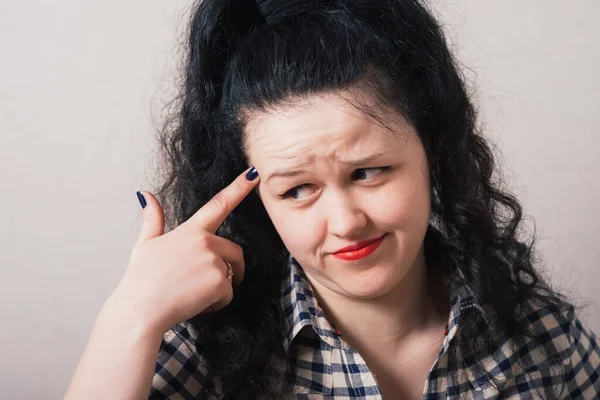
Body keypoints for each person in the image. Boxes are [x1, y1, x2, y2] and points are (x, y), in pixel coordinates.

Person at [64, 0, 600, 399]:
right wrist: (129, 316)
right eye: (297, 189)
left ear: (430, 148)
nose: (345, 222)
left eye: (369, 172)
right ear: (255, 198)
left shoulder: (542, 336)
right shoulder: (198, 355)